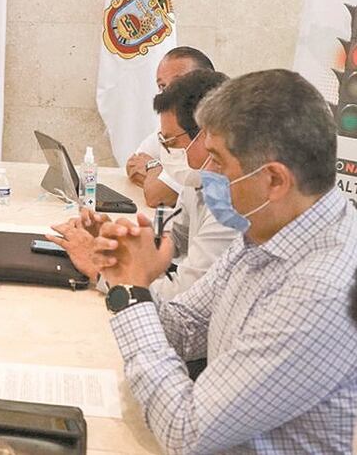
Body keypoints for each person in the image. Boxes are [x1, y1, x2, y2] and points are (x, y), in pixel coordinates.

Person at [94, 69, 357, 453]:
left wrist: (133, 294)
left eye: (218, 161)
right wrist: (123, 272)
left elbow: (187, 432)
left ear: (274, 180)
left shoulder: (321, 289)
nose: (207, 172)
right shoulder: (269, 229)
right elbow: (187, 327)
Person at [50, 70, 236, 302]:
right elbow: (173, 239)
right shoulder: (196, 178)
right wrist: (118, 241)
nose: (166, 151)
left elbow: (183, 296)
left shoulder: (232, 205)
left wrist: (102, 272)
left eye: (170, 142)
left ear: (206, 136)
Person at [124, 46, 215, 208]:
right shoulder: (173, 124)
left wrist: (153, 167)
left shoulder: (214, 131)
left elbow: (157, 194)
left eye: (178, 83)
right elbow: (134, 163)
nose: (168, 93)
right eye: (162, 86)